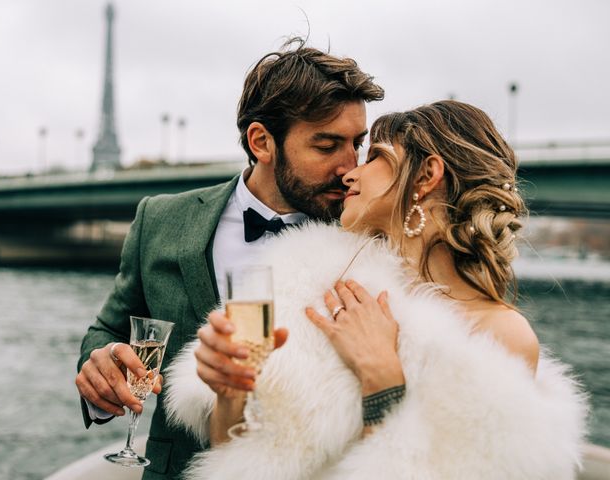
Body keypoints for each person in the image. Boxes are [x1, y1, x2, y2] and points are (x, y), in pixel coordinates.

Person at [166, 100, 588, 479]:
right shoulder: (315, 280)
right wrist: (230, 393)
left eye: (375, 157)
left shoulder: (499, 337)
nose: (350, 173)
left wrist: (382, 381)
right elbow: (232, 454)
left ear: (426, 175)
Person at [74, 38, 384, 479]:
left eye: (357, 143)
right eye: (327, 145)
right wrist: (100, 364)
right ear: (261, 141)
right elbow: (110, 327)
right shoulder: (160, 219)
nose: (349, 166)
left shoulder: (365, 238)